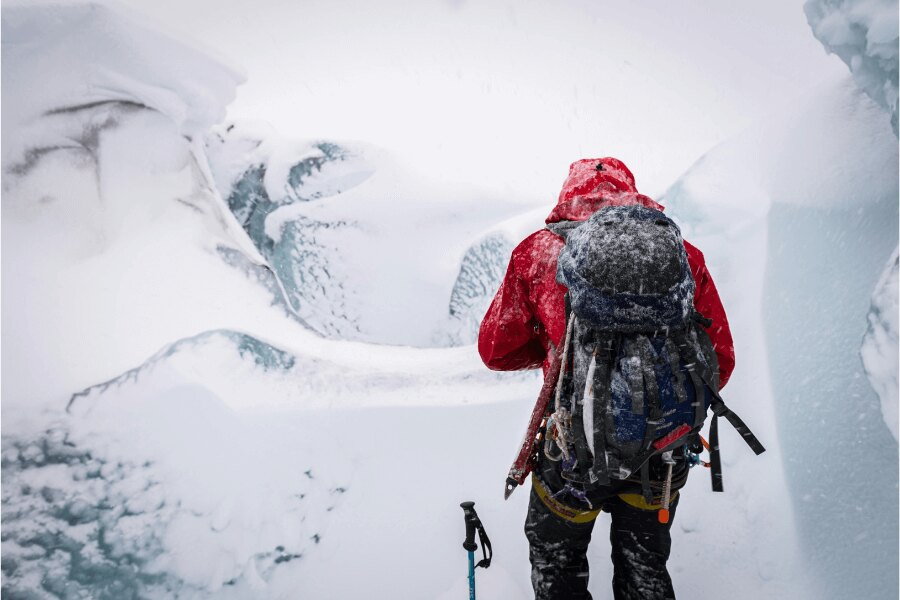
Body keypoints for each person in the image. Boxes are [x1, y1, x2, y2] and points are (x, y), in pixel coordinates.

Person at [477, 157, 735, 600]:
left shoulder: (537, 253)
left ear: (568, 196)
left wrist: (557, 347)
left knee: (557, 561)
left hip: (575, 449)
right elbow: (720, 362)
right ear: (632, 194)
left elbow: (495, 351)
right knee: (644, 566)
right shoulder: (682, 255)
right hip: (661, 449)